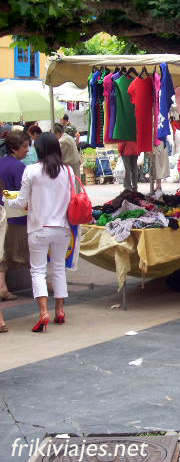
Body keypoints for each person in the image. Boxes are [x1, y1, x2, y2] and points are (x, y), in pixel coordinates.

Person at [4, 133, 73, 333]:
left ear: (39, 149)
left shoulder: (31, 170)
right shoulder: (67, 171)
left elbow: (20, 202)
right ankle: (60, 310)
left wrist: (5, 196)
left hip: (38, 228)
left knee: (38, 271)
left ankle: (43, 312)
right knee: (59, 269)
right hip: (62, 227)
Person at [0, 132, 30, 304]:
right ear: (14, 148)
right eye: (25, 146)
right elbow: (21, 196)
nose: (27, 150)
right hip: (15, 219)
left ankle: (2, 286)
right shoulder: (20, 168)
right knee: (20, 254)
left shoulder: (2, 162)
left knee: (2, 253)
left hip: (2, 215)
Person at [54, 123, 81, 192]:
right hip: (75, 164)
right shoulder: (68, 137)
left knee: (73, 187)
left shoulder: (62, 141)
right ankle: (77, 200)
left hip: (71, 165)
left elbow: (58, 155)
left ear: (58, 133)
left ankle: (75, 201)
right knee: (76, 186)